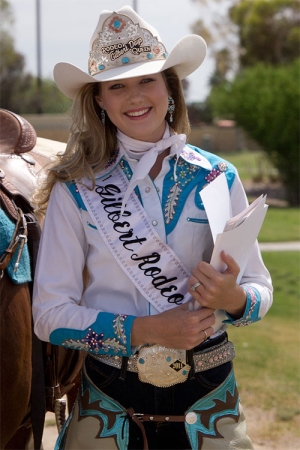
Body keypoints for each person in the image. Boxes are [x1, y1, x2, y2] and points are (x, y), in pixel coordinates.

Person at [32, 5, 273, 450]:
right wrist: (146, 332)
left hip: (210, 401)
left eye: (148, 79)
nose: (135, 96)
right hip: (109, 402)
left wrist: (235, 299)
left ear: (170, 88)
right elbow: (49, 317)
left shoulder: (218, 176)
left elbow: (261, 290)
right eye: (117, 86)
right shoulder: (76, 189)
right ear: (99, 100)